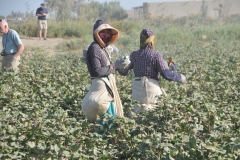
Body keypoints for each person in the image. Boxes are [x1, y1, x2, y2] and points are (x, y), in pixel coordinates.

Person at [115, 28, 186, 114]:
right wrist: (180, 77)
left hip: (137, 91)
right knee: (155, 114)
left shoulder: (134, 55)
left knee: (137, 115)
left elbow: (124, 72)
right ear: (152, 40)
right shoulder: (156, 55)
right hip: (152, 90)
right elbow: (166, 74)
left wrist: (119, 67)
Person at [81, 19, 123, 127]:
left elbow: (107, 68)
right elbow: (97, 71)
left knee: (109, 117)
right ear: (96, 34)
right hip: (101, 86)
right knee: (105, 119)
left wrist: (118, 66)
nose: (106, 35)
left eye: (108, 33)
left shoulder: (103, 48)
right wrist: (114, 66)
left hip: (107, 86)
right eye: (103, 33)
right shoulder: (94, 48)